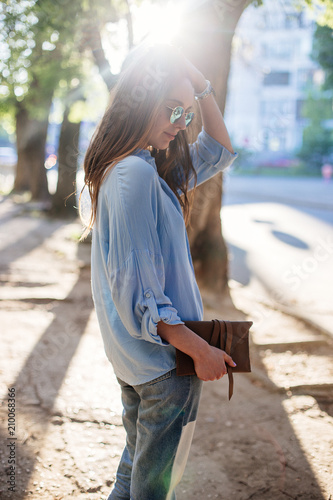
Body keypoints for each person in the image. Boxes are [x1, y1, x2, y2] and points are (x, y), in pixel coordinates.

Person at [81, 44, 238, 500]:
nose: (181, 123)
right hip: (165, 368)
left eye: (186, 115)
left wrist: (200, 86)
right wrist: (201, 351)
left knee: (134, 476)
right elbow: (140, 293)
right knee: (152, 491)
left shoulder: (149, 169)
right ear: (141, 100)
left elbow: (220, 150)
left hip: (141, 364)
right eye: (172, 109)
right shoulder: (135, 176)